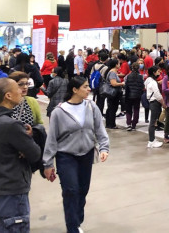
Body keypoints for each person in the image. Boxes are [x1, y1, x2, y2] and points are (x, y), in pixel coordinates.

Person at [43, 76, 110, 233]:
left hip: (86, 155)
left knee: (82, 190)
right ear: (74, 89)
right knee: (71, 190)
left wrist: (104, 148)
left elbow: (100, 129)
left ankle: (76, 220)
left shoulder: (91, 106)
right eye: (85, 87)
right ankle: (72, 227)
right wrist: (47, 163)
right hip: (66, 156)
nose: (89, 89)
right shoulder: (59, 112)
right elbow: (51, 139)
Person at [0, 78, 41, 233]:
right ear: (8, 95)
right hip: (11, 191)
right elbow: (34, 153)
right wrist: (27, 140)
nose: (22, 90)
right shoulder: (11, 125)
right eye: (18, 87)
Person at [145, 66, 164, 148]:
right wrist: (163, 103)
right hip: (155, 102)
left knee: (154, 121)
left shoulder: (148, 80)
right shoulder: (153, 82)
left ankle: (152, 139)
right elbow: (157, 94)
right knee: (153, 122)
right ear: (154, 72)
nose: (159, 73)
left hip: (152, 101)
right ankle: (151, 141)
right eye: (158, 71)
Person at [124, 58, 145, 131]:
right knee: (136, 109)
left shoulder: (128, 76)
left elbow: (126, 86)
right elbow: (142, 86)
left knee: (129, 110)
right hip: (137, 95)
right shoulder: (140, 77)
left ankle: (129, 124)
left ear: (132, 68)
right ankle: (134, 124)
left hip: (129, 95)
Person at [103, 59, 124, 129]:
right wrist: (122, 83)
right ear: (116, 65)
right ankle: (111, 124)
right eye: (118, 63)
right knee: (112, 108)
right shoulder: (112, 73)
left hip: (113, 94)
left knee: (111, 108)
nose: (119, 65)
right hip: (113, 94)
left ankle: (109, 123)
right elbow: (113, 83)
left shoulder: (113, 72)